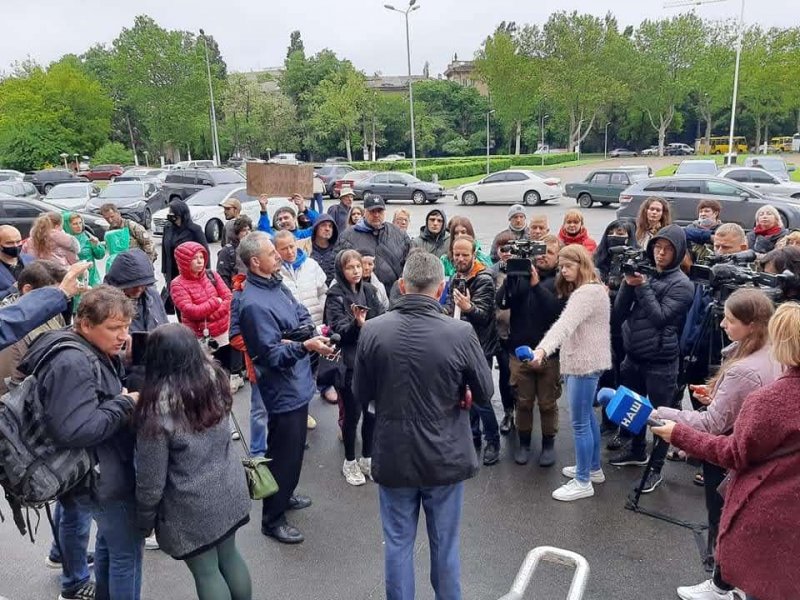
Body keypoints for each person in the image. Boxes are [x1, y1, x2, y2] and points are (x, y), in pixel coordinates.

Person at [352, 251, 494, 600]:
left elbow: (361, 393)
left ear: (401, 285)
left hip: (394, 452)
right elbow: (485, 392)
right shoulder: (460, 332)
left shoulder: (372, 329)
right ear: (441, 288)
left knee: (398, 544)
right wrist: (462, 392)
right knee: (445, 546)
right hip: (445, 455)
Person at [652, 302, 800, 600]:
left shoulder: (771, 398)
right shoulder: (766, 373)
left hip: (769, 507)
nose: (721, 324)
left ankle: (723, 586)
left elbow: (732, 451)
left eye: (730, 319)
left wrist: (678, 433)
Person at [19, 286, 141, 600]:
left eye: (126, 327)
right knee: (126, 553)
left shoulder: (79, 347)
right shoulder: (74, 363)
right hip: (98, 473)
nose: (122, 336)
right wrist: (125, 403)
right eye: (114, 328)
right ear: (85, 324)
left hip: (96, 470)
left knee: (108, 545)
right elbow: (75, 429)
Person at [135, 324, 252, 600]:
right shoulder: (215, 379)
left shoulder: (156, 408)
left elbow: (151, 481)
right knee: (230, 556)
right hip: (228, 486)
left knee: (206, 571)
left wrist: (144, 520)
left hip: (190, 505)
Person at [237, 232, 334, 544]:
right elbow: (271, 354)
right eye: (271, 253)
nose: (278, 255)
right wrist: (303, 344)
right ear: (255, 262)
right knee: (282, 455)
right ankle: (272, 518)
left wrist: (299, 336)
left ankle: (286, 494)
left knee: (293, 453)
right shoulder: (252, 303)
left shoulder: (275, 282)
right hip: (282, 390)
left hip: (299, 381)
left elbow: (301, 313)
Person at [610, 224, 694, 493]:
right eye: (657, 247)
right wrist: (627, 282)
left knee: (660, 417)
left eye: (667, 249)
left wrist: (643, 286)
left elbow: (660, 318)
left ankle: (655, 470)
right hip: (633, 356)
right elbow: (619, 313)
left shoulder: (683, 285)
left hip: (661, 361)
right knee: (633, 409)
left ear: (678, 252)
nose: (660, 253)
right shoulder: (646, 274)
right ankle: (636, 451)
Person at [526, 244, 611, 501]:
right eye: (561, 267)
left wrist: (541, 351)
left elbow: (563, 326)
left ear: (582, 264)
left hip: (583, 365)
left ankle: (583, 480)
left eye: (568, 266)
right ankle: (593, 468)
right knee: (587, 419)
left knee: (580, 423)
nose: (563, 271)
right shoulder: (595, 289)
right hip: (590, 361)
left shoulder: (585, 294)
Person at [497, 234, 565, 466]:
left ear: (558, 256)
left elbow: (556, 312)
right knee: (523, 402)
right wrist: (510, 278)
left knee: (547, 403)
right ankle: (524, 443)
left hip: (549, 354)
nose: (544, 256)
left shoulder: (561, 281)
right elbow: (502, 302)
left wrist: (536, 286)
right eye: (541, 252)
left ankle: (548, 444)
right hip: (520, 351)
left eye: (550, 253)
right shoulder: (520, 273)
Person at [324, 249, 385, 486]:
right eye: (350, 267)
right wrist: (356, 325)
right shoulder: (335, 295)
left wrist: (369, 326)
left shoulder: (369, 291)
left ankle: (367, 457)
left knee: (372, 413)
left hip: (372, 361)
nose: (356, 271)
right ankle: (349, 461)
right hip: (349, 363)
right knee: (352, 415)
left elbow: (382, 317)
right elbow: (336, 330)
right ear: (341, 270)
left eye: (358, 266)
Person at [445, 235, 500, 465]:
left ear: (474, 253)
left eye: (464, 255)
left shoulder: (484, 278)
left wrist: (468, 307)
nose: (459, 259)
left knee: (481, 396)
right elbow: (449, 305)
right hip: (458, 344)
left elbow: (484, 315)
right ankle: (473, 436)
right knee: (463, 393)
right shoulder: (456, 276)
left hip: (479, 347)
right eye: (456, 254)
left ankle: (493, 441)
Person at [104, 248, 169, 400]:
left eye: (144, 283)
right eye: (134, 284)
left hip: (157, 373)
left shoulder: (151, 295)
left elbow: (164, 324)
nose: (139, 288)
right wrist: (123, 358)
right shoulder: (103, 305)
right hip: (126, 383)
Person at [0, 260, 66, 394]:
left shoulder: (51, 311)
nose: (57, 299)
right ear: (27, 290)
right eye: (52, 295)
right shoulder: (12, 328)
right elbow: (9, 386)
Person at [0, 262, 90, 352]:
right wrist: (61, 293)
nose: (56, 301)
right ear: (27, 290)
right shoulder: (15, 339)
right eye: (49, 293)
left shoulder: (52, 313)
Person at [169, 241, 232, 369]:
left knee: (225, 369)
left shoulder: (212, 275)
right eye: (194, 258)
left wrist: (211, 315)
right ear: (184, 261)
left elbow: (228, 298)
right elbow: (191, 310)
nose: (200, 261)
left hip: (223, 333)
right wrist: (215, 302)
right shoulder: (177, 284)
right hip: (200, 337)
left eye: (201, 257)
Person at [336, 196, 410, 290]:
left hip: (396, 292)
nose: (376, 215)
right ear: (365, 212)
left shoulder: (399, 234)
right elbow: (338, 267)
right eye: (373, 211)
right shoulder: (347, 236)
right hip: (362, 294)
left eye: (380, 211)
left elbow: (409, 261)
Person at [274, 230, 328, 327]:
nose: (290, 252)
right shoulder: (274, 271)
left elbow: (323, 292)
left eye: (291, 246)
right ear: (276, 250)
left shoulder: (311, 264)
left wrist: (321, 309)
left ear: (296, 244)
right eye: (284, 249)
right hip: (293, 329)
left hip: (317, 323)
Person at [490, 232, 516, 435]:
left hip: (524, 333)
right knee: (506, 373)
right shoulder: (492, 273)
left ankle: (522, 411)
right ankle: (509, 412)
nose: (507, 253)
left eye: (511, 248)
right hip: (501, 333)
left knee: (523, 376)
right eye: (502, 248)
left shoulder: (527, 270)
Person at [161, 200, 209, 304]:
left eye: (172, 212)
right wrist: (164, 270)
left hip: (189, 273)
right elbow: (165, 251)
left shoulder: (195, 230)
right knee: (178, 302)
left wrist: (205, 273)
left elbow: (205, 252)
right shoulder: (168, 228)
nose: (170, 215)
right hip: (172, 273)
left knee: (189, 303)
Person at [65, 212, 106, 288]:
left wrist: (96, 246)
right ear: (67, 225)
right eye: (75, 224)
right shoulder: (63, 240)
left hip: (92, 278)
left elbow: (100, 255)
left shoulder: (86, 235)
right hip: (75, 281)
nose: (79, 226)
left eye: (80, 223)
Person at [217, 216, 253, 290]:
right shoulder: (228, 251)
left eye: (249, 229)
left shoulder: (255, 248)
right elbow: (222, 277)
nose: (247, 233)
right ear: (237, 233)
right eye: (243, 230)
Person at [684, 199, 722, 265]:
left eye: (706, 211)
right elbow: (685, 232)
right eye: (701, 212)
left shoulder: (722, 229)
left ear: (715, 213)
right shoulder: (691, 227)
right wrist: (709, 236)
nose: (703, 214)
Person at [0, 225, 33, 299]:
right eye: (9, 243)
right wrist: (12, 290)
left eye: (18, 242)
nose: (15, 246)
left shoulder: (30, 260)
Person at [310, 213, 339, 285]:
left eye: (330, 226)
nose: (327, 229)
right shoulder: (306, 248)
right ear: (316, 228)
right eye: (323, 225)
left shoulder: (338, 250)